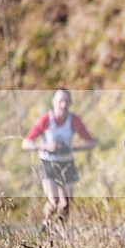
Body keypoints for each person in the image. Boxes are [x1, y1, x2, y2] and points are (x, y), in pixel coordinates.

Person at [22, 88, 96, 229]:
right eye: (60, 101)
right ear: (53, 102)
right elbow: (25, 143)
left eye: (66, 101)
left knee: (66, 203)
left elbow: (90, 142)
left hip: (67, 163)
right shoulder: (45, 120)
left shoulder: (73, 120)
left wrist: (73, 148)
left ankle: (60, 232)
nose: (63, 105)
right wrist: (45, 146)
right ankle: (45, 224)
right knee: (53, 200)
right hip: (48, 163)